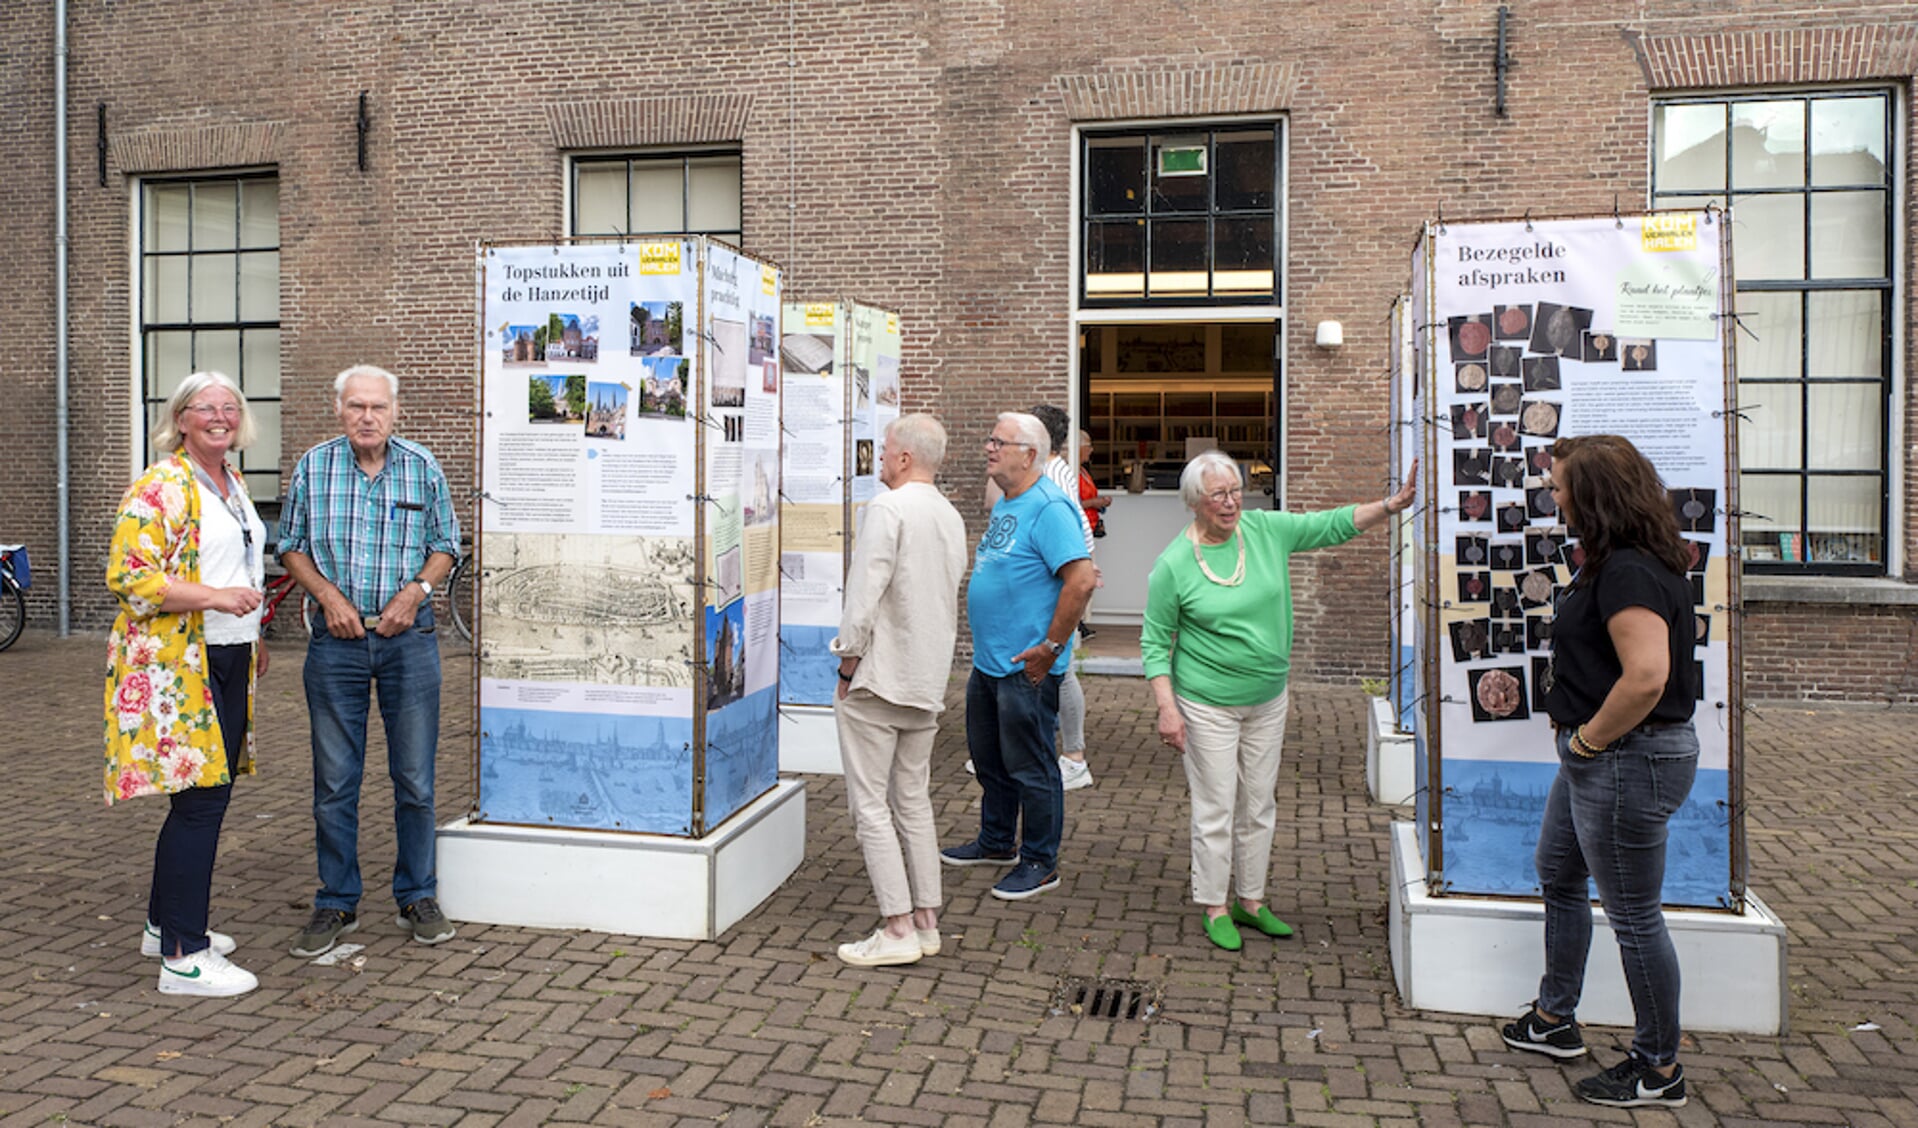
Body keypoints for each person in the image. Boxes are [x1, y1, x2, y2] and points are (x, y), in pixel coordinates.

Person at [1144, 450, 1415, 952]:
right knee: (1216, 806)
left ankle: (1251, 899)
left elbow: (1328, 525)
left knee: (1260, 802)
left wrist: (1390, 505)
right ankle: (1214, 905)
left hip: (1268, 697)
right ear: (1195, 503)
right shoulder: (1174, 565)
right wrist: (1168, 708)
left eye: (1235, 490)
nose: (1231, 502)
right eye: (1219, 495)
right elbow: (1155, 643)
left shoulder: (1265, 531)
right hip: (1207, 703)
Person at [1499, 434, 1698, 1110]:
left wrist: (1585, 744)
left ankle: (1657, 1066)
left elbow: (1646, 678)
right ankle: (1555, 1019)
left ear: (1592, 494)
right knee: (1558, 870)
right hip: (1608, 758)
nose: (1551, 497)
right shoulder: (1619, 561)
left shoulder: (1629, 572)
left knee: (1635, 916)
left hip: (1624, 759)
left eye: (1559, 487)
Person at [279, 364, 461, 956]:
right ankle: (336, 901)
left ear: (395, 412)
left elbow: (446, 544)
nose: (367, 417)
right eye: (356, 406)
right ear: (339, 410)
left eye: (377, 408)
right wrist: (327, 597)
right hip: (338, 643)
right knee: (335, 782)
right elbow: (291, 546)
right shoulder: (314, 466)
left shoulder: (422, 465)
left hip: (410, 641)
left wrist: (415, 593)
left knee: (414, 778)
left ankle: (417, 893)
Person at [105, 371, 268, 997]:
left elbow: (237, 563)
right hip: (180, 662)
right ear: (181, 419)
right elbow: (129, 576)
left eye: (231, 406)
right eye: (207, 408)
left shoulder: (229, 481)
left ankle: (160, 925)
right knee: (202, 801)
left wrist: (249, 636)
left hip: (225, 654)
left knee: (200, 797)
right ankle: (183, 956)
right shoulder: (162, 484)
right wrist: (216, 599)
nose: (221, 417)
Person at [829, 414, 968, 966]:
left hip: (880, 677)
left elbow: (865, 595)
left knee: (871, 806)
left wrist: (847, 664)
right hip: (925, 679)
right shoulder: (951, 515)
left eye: (885, 450)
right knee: (913, 800)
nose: (880, 458)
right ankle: (928, 920)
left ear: (905, 458)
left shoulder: (888, 509)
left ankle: (896, 927)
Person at [942, 412, 1095, 901]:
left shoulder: (1050, 507)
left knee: (1031, 767)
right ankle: (996, 841)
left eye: (998, 442)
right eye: (989, 439)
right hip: (992, 662)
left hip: (1027, 666)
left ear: (1030, 454)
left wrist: (1050, 648)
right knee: (990, 760)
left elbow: (1082, 579)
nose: (988, 448)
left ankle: (1039, 861)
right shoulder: (1009, 502)